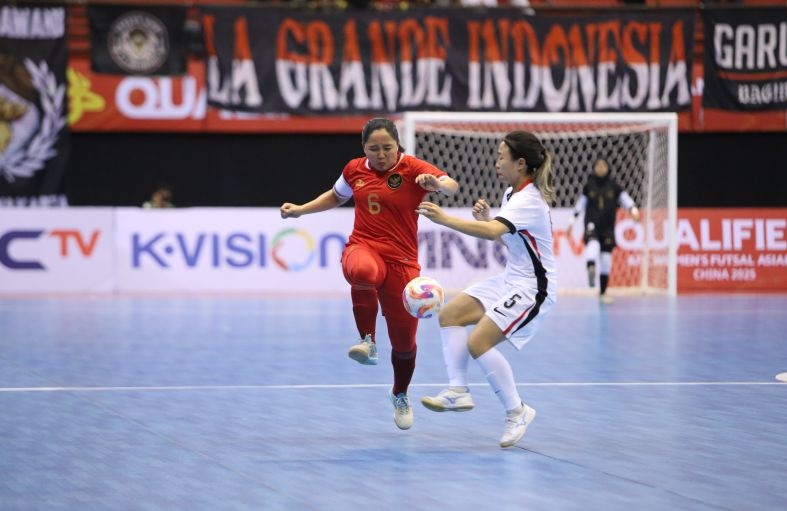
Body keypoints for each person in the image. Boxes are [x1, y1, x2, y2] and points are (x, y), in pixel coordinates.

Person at [280, 117, 458, 430]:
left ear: (397, 145)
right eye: (373, 148)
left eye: (387, 148)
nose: (380, 154)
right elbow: (336, 196)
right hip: (364, 246)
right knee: (361, 270)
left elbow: (450, 184)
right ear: (364, 148)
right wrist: (300, 210)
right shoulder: (354, 169)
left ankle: (400, 394)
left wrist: (437, 185)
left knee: (404, 345)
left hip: (403, 263)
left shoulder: (413, 168)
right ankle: (367, 340)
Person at [416, 130, 557, 448]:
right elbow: (502, 235)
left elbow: (492, 232)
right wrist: (488, 219)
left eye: (500, 156)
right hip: (511, 280)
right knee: (450, 314)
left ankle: (517, 411)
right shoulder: (511, 195)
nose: (496, 163)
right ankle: (458, 391)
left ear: (520, 164)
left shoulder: (529, 200)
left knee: (478, 342)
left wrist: (446, 219)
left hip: (535, 288)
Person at [567, 158, 640, 304]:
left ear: (608, 168)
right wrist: (571, 222)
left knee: (606, 260)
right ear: (594, 168)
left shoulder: (614, 186)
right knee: (593, 246)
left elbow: (626, 200)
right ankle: (591, 268)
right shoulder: (589, 185)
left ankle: (603, 292)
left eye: (603, 165)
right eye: (598, 165)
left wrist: (633, 210)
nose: (600, 168)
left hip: (607, 228)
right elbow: (580, 204)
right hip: (591, 224)